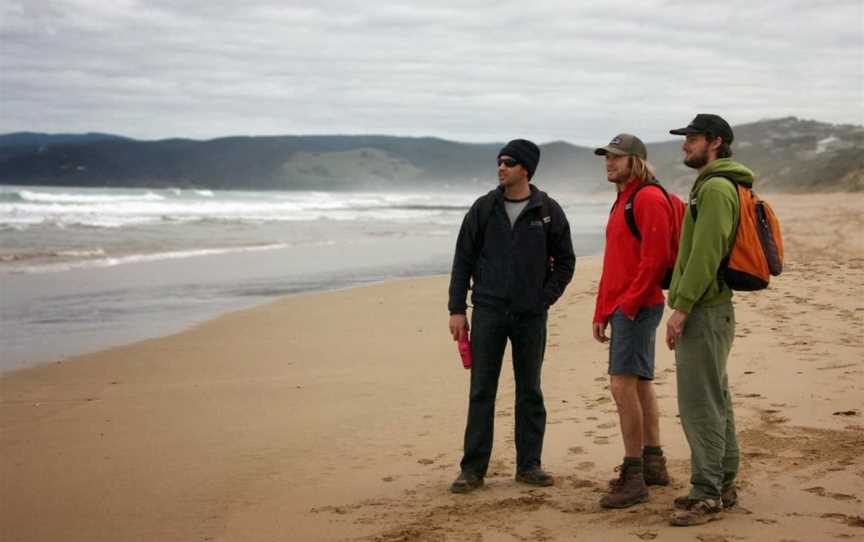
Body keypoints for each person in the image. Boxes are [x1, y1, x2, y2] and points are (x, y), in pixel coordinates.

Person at [447, 139, 575, 493]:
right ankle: (472, 470)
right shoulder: (483, 208)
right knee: (481, 391)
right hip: (488, 311)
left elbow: (566, 262)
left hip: (530, 316)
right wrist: (457, 308)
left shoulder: (547, 210)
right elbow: (463, 260)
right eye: (499, 162)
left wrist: (543, 299)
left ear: (526, 169)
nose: (501, 168)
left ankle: (529, 466)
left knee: (530, 390)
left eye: (509, 162)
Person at [665, 114, 750, 526]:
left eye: (692, 138)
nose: (686, 145)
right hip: (711, 307)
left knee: (700, 403)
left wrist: (681, 307)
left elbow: (706, 253)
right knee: (716, 398)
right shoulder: (716, 184)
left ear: (715, 142)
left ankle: (708, 494)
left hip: (705, 307)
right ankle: (724, 483)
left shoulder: (716, 188)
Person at [591, 134, 675, 508]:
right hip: (626, 306)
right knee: (640, 384)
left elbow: (654, 261)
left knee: (621, 386)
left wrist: (627, 306)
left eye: (616, 157)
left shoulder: (649, 198)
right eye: (606, 157)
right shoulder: (622, 200)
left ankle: (633, 475)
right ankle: (654, 464)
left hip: (639, 307)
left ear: (635, 161)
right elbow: (616, 262)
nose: (609, 162)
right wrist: (601, 310)